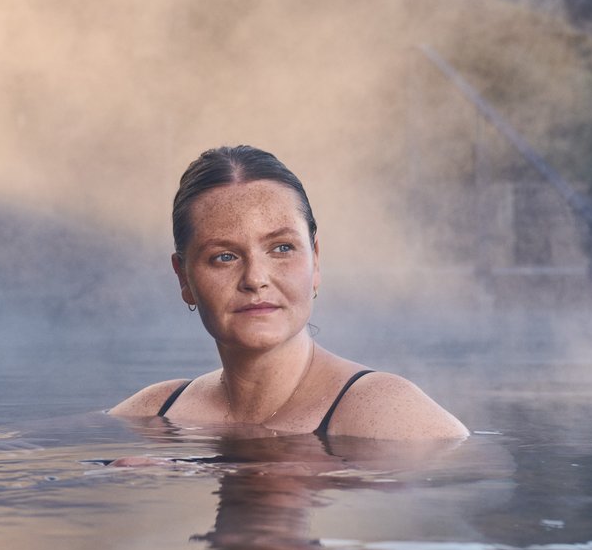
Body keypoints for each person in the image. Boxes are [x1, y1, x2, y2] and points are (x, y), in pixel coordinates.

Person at [110, 145, 468, 440]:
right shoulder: (157, 413)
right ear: (184, 279)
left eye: (281, 248)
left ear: (316, 260)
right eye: (224, 256)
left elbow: (481, 481)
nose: (255, 278)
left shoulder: (385, 410)